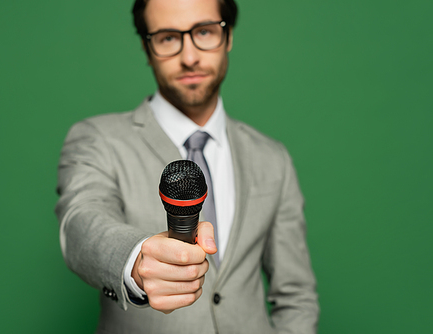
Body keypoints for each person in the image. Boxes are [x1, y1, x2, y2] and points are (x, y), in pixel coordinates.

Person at [55, 0, 319, 333]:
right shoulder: (98, 139)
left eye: (205, 32)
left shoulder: (272, 158)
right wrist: (135, 259)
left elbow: (296, 294)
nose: (190, 56)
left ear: (229, 36)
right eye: (167, 37)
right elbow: (80, 224)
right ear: (146, 47)